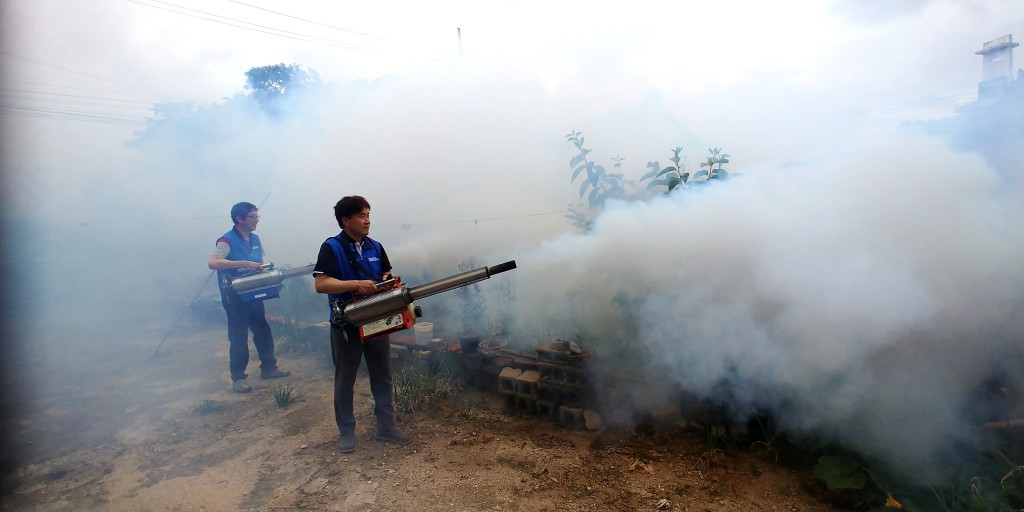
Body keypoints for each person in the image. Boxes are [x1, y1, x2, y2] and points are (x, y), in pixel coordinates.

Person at [313, 195, 411, 453]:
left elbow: (385, 273)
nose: (367, 221)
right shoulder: (331, 248)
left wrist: (387, 281)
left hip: (377, 322)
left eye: (368, 215)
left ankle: (386, 428)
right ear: (346, 220)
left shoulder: (376, 247)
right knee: (345, 380)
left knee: (383, 376)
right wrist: (355, 285)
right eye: (361, 216)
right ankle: (347, 433)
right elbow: (321, 284)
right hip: (347, 325)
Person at [208, 202, 290, 393]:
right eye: (253, 217)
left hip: (254, 292)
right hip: (235, 297)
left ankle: (269, 368)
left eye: (257, 216)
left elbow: (259, 262)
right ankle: (238, 378)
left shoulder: (255, 238)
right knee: (238, 336)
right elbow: (213, 262)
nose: (257, 220)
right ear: (240, 219)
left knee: (262, 330)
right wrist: (243, 263)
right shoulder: (226, 240)